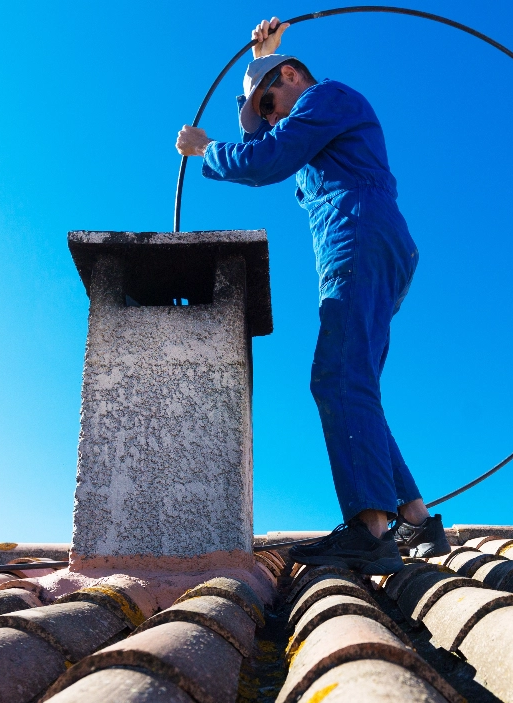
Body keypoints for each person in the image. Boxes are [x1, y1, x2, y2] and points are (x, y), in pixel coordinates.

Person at [175, 17, 450, 574]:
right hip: (372, 240)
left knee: (337, 377)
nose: (271, 116)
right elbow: (264, 144)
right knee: (354, 380)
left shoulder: (326, 97)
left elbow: (267, 157)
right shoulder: (313, 120)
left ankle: (372, 528)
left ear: (295, 76)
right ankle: (415, 518)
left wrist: (207, 150)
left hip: (359, 233)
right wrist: (259, 67)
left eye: (271, 102)